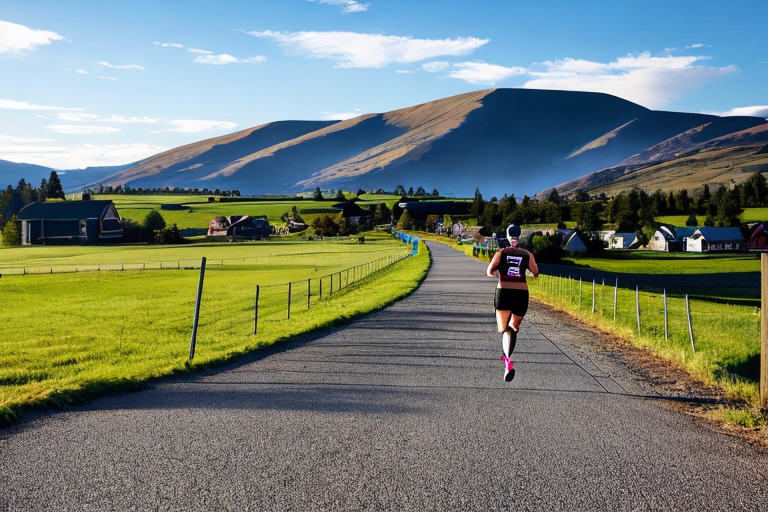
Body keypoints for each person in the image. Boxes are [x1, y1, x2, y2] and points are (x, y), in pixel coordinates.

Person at [486, 225, 539, 381]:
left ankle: (508, 362)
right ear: (520, 236)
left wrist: (499, 270)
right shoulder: (527, 254)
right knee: (513, 327)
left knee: (503, 328)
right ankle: (507, 359)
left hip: (504, 291)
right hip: (521, 293)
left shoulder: (501, 253)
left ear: (508, 236)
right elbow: (535, 272)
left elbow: (489, 271)